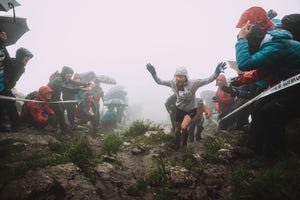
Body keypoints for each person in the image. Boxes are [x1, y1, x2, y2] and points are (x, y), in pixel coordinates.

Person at [235, 20, 300, 158]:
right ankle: (254, 148)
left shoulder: (275, 45)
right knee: (258, 107)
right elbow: (260, 72)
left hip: (295, 86)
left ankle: (273, 156)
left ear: (252, 44)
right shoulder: (269, 47)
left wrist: (241, 40)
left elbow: (245, 63)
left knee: (271, 112)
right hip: (290, 85)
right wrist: (239, 80)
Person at [146, 62, 226, 149]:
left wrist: (216, 73)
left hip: (191, 110)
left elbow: (207, 80)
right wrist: (153, 73)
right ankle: (177, 145)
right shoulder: (172, 83)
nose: (179, 79)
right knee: (177, 128)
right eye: (177, 76)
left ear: (186, 77)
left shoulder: (194, 83)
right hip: (179, 109)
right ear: (175, 76)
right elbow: (159, 81)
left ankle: (184, 145)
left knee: (184, 127)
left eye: (181, 76)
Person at [0, 46, 33, 131]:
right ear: (20, 56)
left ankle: (3, 125)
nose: (28, 59)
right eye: (26, 57)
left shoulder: (21, 67)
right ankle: (16, 125)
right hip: (3, 85)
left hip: (7, 87)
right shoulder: (12, 61)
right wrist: (2, 43)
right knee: (10, 102)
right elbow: (6, 56)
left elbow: (14, 79)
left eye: (29, 59)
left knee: (3, 104)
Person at [48, 66, 87, 134]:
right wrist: (79, 89)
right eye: (68, 73)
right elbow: (66, 89)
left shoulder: (65, 78)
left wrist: (85, 84)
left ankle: (54, 126)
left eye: (71, 73)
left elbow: (74, 82)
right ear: (64, 73)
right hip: (50, 96)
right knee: (60, 111)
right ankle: (63, 130)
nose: (69, 75)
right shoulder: (58, 79)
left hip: (56, 96)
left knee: (62, 108)